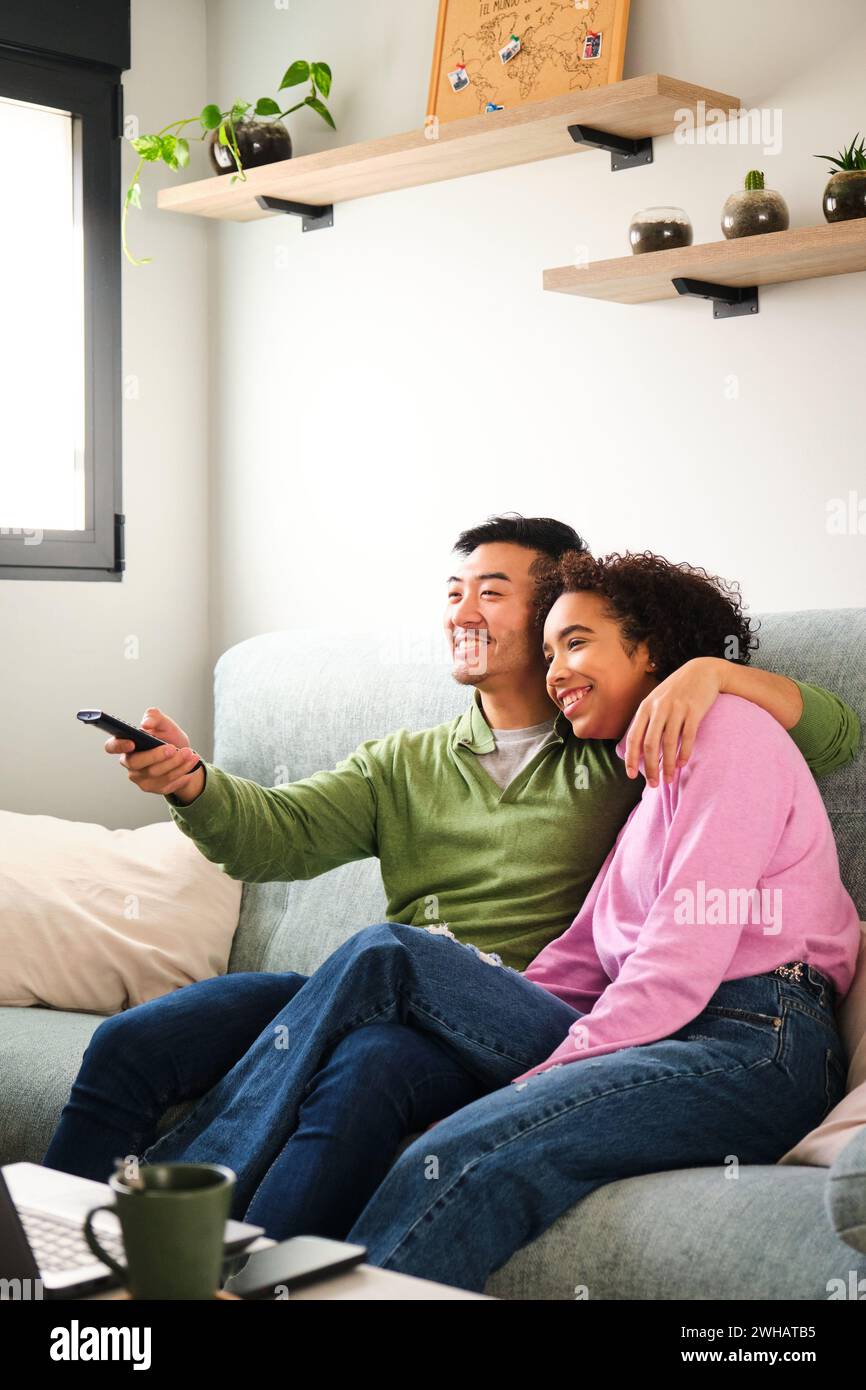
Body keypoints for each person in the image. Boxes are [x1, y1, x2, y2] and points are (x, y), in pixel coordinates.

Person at [43, 519, 859, 1245]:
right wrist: (189, 782)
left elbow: (827, 735)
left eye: (495, 594)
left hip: (678, 1016)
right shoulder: (413, 760)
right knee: (139, 1038)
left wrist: (710, 675)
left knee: (379, 1017)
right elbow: (279, 834)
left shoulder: (628, 753)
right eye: (454, 591)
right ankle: (68, 1256)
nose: (463, 611)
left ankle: (184, 1224)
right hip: (431, 990)